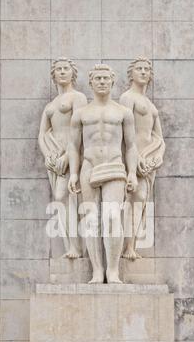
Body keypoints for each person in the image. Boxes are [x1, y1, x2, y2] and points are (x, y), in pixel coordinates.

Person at [68, 64, 138, 283]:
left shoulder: (123, 112)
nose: (101, 82)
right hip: (88, 165)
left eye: (105, 78)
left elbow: (132, 145)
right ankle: (97, 270)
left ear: (112, 81)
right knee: (90, 219)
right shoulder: (80, 113)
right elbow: (72, 145)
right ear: (91, 82)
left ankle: (113, 270)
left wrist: (133, 172)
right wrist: (72, 173)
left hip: (114, 164)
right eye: (97, 78)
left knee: (112, 217)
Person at [38, 58, 87, 258]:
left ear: (72, 72)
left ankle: (78, 247)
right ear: (54, 74)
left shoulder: (78, 98)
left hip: (72, 156)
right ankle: (72, 246)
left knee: (68, 199)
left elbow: (81, 129)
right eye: (58, 69)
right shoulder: (50, 105)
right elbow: (42, 134)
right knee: (63, 202)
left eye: (66, 68)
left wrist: (68, 155)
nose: (62, 72)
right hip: (54, 159)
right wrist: (48, 154)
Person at [120, 57, 165, 260]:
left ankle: (132, 244)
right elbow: (124, 134)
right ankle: (126, 246)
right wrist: (135, 158)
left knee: (141, 202)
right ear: (131, 73)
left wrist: (158, 156)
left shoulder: (149, 103)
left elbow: (159, 137)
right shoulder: (127, 98)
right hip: (133, 160)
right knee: (131, 200)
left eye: (147, 69)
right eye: (139, 68)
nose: (144, 72)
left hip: (149, 161)